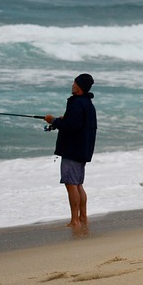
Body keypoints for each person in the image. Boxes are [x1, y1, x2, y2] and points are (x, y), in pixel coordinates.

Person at [45, 73, 98, 230]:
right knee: (78, 184)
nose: (72, 85)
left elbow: (71, 126)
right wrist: (62, 121)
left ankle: (75, 220)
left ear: (79, 87)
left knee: (71, 184)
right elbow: (76, 123)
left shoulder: (76, 104)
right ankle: (83, 217)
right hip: (83, 149)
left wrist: (53, 120)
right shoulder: (87, 104)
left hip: (73, 150)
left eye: (74, 83)